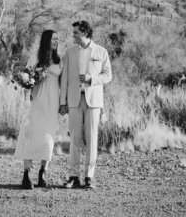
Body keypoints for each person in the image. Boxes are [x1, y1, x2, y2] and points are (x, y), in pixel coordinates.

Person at [58, 19, 112, 189]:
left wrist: (92, 79)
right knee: (74, 139)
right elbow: (64, 78)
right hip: (74, 100)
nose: (73, 35)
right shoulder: (70, 52)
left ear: (85, 32)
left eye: (75, 32)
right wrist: (62, 102)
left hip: (93, 101)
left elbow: (108, 75)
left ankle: (89, 177)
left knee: (92, 139)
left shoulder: (101, 52)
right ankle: (73, 176)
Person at [13, 28, 62, 189]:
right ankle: (26, 174)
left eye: (57, 39)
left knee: (48, 138)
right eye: (54, 39)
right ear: (46, 40)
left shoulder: (59, 60)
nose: (56, 41)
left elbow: (62, 82)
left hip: (53, 102)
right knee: (31, 136)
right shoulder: (35, 58)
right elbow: (26, 77)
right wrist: (28, 85)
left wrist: (64, 103)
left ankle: (43, 172)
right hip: (37, 101)